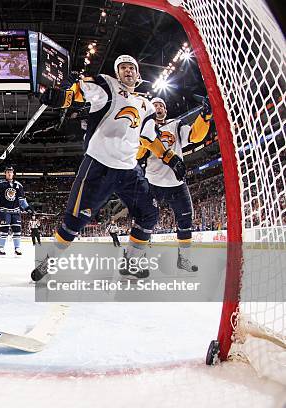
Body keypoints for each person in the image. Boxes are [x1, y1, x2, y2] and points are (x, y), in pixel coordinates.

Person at [32, 55, 186, 281]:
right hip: (98, 164)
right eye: (123, 68)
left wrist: (170, 157)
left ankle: (131, 262)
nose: (127, 71)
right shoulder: (107, 84)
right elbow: (78, 93)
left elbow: (150, 138)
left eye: (131, 67)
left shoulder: (147, 105)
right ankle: (49, 260)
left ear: (138, 74)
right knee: (74, 221)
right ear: (117, 73)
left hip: (129, 169)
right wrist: (60, 96)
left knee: (149, 214)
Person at [137, 96, 213, 273]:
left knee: (186, 220)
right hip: (152, 183)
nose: (158, 108)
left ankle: (184, 259)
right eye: (154, 105)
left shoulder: (176, 125)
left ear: (165, 110)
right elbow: (138, 155)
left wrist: (204, 116)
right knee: (145, 221)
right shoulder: (143, 128)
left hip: (176, 183)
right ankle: (139, 260)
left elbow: (195, 136)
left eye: (161, 105)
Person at [0, 166, 34, 255]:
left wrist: (28, 208)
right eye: (8, 172)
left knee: (17, 230)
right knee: (4, 229)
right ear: (5, 173)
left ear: (13, 173)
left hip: (16, 211)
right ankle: (1, 248)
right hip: (4, 210)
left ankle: (17, 248)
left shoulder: (18, 185)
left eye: (11, 172)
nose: (9, 173)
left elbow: (22, 200)